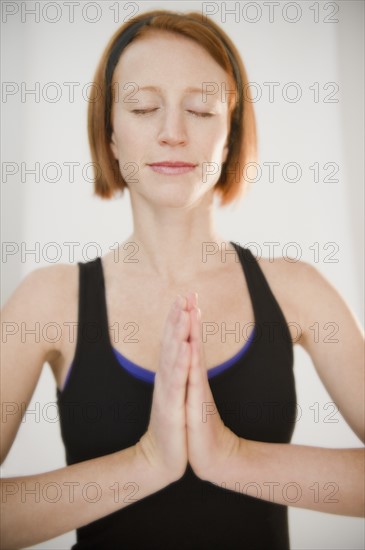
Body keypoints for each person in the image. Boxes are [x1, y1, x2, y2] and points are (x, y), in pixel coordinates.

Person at [1, 9, 364, 550]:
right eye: (144, 108)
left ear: (230, 132)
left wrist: (232, 458)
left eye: (200, 109)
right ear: (112, 135)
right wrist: (148, 462)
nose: (173, 133)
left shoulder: (298, 291)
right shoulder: (48, 301)